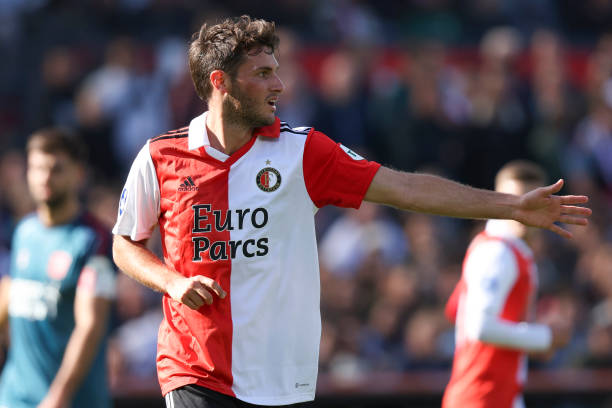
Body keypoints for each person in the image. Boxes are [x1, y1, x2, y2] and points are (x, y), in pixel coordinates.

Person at [111, 15, 591, 408]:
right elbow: (125, 242)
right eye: (262, 73)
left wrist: (512, 207)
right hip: (195, 369)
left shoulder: (303, 153)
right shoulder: (160, 157)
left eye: (276, 69)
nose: (279, 83)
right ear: (220, 82)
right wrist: (172, 282)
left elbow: (405, 188)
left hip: (282, 377)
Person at [442, 161, 573, 408]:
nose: (526, 208)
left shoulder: (502, 248)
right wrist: (544, 336)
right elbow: (479, 327)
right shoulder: (498, 252)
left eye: (535, 200)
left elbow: (455, 311)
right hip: (482, 397)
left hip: (498, 395)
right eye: (518, 199)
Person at [0, 128, 116, 408]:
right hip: (15, 396)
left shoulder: (93, 240)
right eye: (37, 168)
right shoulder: (24, 231)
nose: (45, 178)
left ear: (78, 173)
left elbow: (90, 324)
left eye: (56, 169)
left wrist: (59, 396)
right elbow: (11, 294)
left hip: (71, 401)